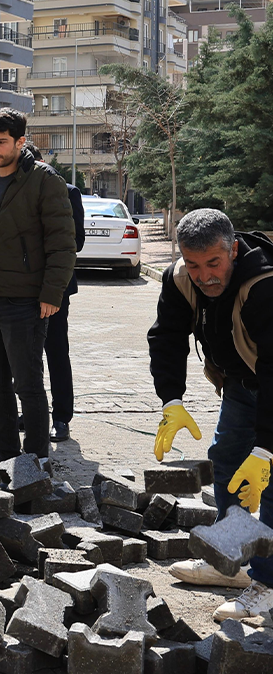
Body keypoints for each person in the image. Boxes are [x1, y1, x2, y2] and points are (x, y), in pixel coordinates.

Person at [147, 208, 273, 620]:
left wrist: (266, 449)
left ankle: (267, 584)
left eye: (213, 263)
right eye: (194, 264)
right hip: (242, 381)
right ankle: (230, 558)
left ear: (233, 249)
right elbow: (166, 336)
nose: (204, 276)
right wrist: (171, 401)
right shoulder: (180, 279)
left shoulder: (263, 284)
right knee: (227, 460)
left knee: (268, 481)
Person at [0, 108, 76, 459]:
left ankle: (36, 461)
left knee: (27, 385)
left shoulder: (44, 181)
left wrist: (52, 293)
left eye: (1, 142)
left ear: (20, 142)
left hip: (24, 302)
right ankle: (8, 456)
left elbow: (63, 244)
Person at [18, 146, 85, 443]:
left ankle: (61, 418)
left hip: (56, 287)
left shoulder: (68, 192)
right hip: (21, 288)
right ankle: (32, 413)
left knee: (56, 352)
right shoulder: (16, 193)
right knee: (24, 355)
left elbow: (77, 241)